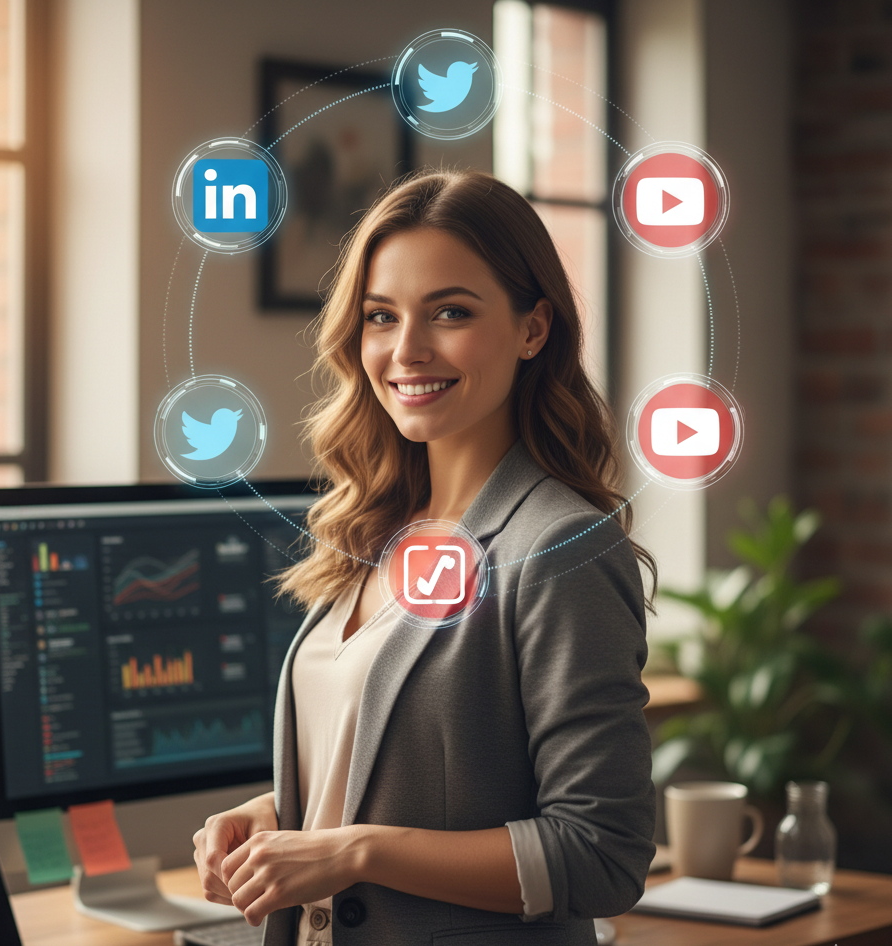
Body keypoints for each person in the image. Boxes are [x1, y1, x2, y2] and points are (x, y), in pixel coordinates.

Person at [193, 168, 657, 945]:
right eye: (381, 316)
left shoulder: (558, 549)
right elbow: (391, 771)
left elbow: (601, 854)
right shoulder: (372, 529)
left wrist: (355, 851)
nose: (407, 350)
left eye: (450, 312)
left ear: (533, 329)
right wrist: (279, 814)